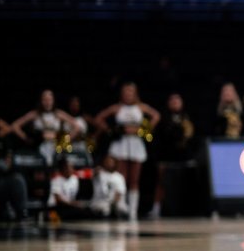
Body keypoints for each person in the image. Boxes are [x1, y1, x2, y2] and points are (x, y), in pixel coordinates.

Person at [94, 83, 160, 221]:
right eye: (125, 92)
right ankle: (121, 206)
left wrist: (144, 130)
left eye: (131, 92)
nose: (128, 95)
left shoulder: (141, 107)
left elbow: (156, 116)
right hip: (121, 143)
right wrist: (109, 130)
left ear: (135, 93)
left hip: (136, 143)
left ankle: (133, 211)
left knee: (134, 179)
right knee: (121, 177)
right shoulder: (117, 107)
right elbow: (99, 118)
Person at [150, 93, 196, 219]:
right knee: (161, 182)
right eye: (172, 100)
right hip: (166, 155)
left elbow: (191, 137)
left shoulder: (187, 117)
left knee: (189, 182)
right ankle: (156, 208)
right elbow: (157, 138)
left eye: (178, 100)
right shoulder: (162, 118)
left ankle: (190, 208)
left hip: (184, 156)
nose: (175, 102)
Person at [11, 89, 83, 166]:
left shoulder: (58, 114)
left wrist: (65, 140)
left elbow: (77, 127)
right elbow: (15, 126)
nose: (47, 102)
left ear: (53, 101)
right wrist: (27, 139)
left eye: (49, 99)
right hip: (38, 148)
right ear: (41, 101)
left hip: (56, 148)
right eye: (45, 100)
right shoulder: (35, 114)